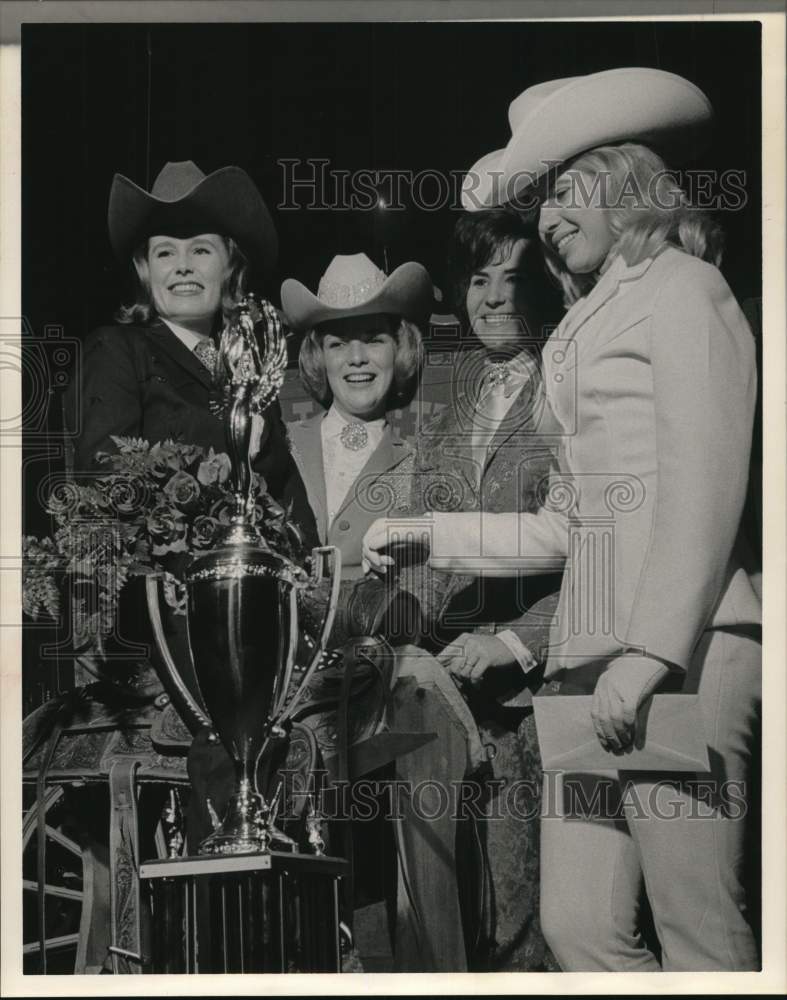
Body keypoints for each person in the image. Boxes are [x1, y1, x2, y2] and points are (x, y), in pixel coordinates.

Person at [363, 68, 761, 972]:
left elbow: (705, 484)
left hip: (677, 661)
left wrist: (650, 653)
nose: (547, 219)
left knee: (698, 926)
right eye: (543, 201)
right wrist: (430, 530)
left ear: (629, 185)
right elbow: (563, 524)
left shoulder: (685, 290)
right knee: (577, 929)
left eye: (567, 193)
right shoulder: (582, 325)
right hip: (582, 669)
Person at [281, 252, 485, 972]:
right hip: (281, 672)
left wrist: (371, 606)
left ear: (400, 349)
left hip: (383, 665)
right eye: (338, 341)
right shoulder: (279, 444)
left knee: (420, 721)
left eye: (371, 338)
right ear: (317, 355)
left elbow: (434, 584)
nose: (356, 357)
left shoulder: (427, 451)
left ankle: (432, 967)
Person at [399, 206, 563, 971]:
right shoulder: (443, 399)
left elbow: (600, 550)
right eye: (478, 278)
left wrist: (513, 642)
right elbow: (428, 547)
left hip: (541, 698)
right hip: (448, 699)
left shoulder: (572, 386)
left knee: (529, 923)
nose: (495, 296)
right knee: (455, 917)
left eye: (515, 276)